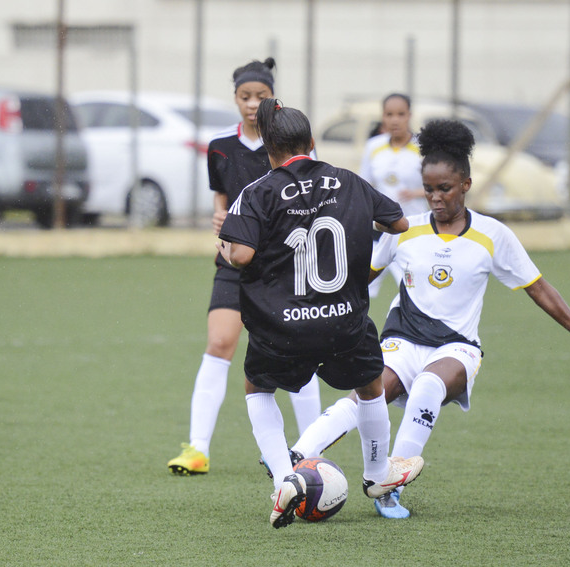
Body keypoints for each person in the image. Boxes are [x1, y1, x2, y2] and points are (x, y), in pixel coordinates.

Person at [291, 119, 570, 519]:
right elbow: (356, 280)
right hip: (402, 341)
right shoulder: (404, 230)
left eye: (445, 189)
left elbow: (539, 288)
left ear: (466, 184)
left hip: (456, 348)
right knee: (369, 394)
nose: (435, 198)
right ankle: (294, 457)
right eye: (429, 189)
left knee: (428, 388)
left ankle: (387, 489)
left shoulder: (493, 234)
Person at [216, 98, 424, 529]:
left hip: (282, 326)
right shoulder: (348, 181)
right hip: (343, 320)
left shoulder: (255, 193)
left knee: (257, 389)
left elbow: (242, 254)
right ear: (311, 142)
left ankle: (283, 478)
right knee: (369, 386)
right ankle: (377, 474)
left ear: (269, 149)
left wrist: (225, 246)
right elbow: (399, 224)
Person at [167, 58, 321, 476]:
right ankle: (197, 449)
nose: (253, 104)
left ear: (273, 98)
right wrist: (218, 221)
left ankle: (312, 450)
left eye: (261, 96)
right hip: (234, 262)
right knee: (219, 343)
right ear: (235, 98)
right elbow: (222, 201)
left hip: (284, 266)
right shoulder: (220, 147)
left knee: (296, 352)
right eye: (245, 96)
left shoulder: (294, 145)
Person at [360, 93, 425, 298]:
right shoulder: (374, 146)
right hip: (379, 232)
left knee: (414, 291)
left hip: (411, 231)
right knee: (362, 289)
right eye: (389, 114)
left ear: (409, 116)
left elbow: (438, 186)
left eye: (400, 114)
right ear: (383, 117)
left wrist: (416, 193)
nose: (394, 120)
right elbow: (365, 185)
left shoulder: (423, 148)